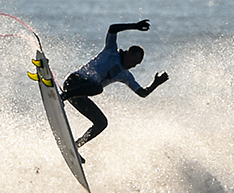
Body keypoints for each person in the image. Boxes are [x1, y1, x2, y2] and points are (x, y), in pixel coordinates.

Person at [59, 19, 169, 156]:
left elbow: (142, 93)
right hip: (74, 82)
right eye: (134, 61)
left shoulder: (125, 75)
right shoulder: (111, 51)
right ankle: (63, 96)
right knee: (98, 88)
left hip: (78, 94)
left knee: (101, 123)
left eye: (137, 64)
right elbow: (112, 28)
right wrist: (135, 26)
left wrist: (155, 84)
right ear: (128, 53)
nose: (134, 65)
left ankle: (76, 146)